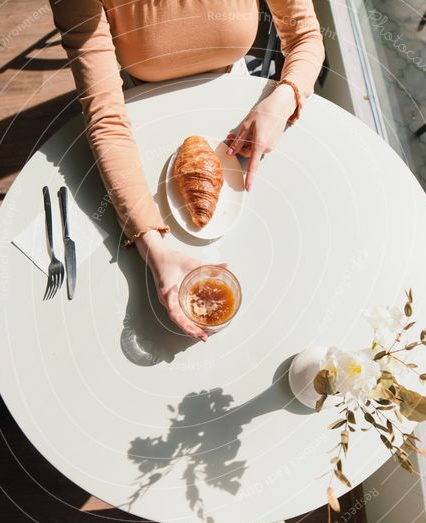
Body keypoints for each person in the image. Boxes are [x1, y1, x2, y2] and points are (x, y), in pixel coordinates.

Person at [50, 0, 324, 340]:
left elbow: (306, 36)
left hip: (245, 118)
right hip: (139, 128)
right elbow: (107, 119)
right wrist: (155, 250)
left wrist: (284, 98)